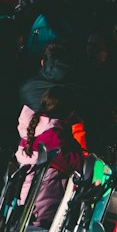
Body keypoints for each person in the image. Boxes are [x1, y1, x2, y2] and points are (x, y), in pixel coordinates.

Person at [15, 88, 83, 224]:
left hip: (27, 202)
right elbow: (73, 164)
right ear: (69, 113)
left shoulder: (34, 128)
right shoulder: (52, 136)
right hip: (44, 208)